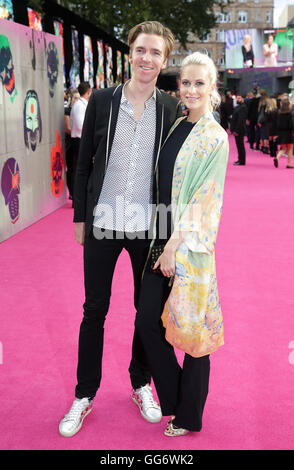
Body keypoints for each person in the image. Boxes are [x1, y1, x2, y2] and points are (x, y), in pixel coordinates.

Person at [59, 21, 182, 438]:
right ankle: (84, 394)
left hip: (146, 227)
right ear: (131, 51)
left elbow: (174, 176)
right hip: (102, 221)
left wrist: (167, 233)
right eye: (142, 50)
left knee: (145, 312)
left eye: (156, 53)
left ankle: (139, 382)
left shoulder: (170, 108)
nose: (148, 59)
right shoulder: (104, 101)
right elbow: (83, 162)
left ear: (165, 61)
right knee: (94, 310)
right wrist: (80, 215)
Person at [135, 51, 229, 437]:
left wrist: (174, 245)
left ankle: (189, 415)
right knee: (147, 321)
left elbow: (205, 198)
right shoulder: (176, 126)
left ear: (213, 88)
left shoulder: (215, 137)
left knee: (193, 333)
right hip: (162, 238)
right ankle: (175, 398)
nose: (191, 89)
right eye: (185, 83)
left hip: (189, 247)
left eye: (199, 83)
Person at [69, 82, 92, 206]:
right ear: (88, 92)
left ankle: (80, 198)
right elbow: (80, 125)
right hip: (79, 141)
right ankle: (77, 199)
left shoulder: (83, 104)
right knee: (79, 170)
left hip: (82, 140)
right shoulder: (79, 105)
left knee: (82, 170)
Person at [64, 89, 80, 200]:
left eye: (79, 98)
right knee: (71, 169)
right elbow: (68, 128)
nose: (77, 101)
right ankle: (72, 192)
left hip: (78, 142)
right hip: (70, 144)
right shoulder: (67, 111)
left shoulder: (82, 110)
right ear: (71, 99)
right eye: (75, 98)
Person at [274, 95, 294, 168]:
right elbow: (291, 125)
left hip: (281, 133)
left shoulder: (279, 114)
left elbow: (277, 125)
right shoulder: (289, 114)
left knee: (284, 149)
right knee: (290, 148)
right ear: (288, 106)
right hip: (288, 133)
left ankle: (277, 157)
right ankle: (289, 164)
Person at [231, 94, 248, 165]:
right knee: (239, 145)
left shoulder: (243, 107)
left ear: (243, 99)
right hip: (237, 129)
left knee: (240, 145)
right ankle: (240, 159)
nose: (237, 99)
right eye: (237, 98)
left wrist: (236, 130)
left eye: (239, 98)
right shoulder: (238, 107)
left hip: (239, 130)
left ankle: (242, 160)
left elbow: (240, 120)